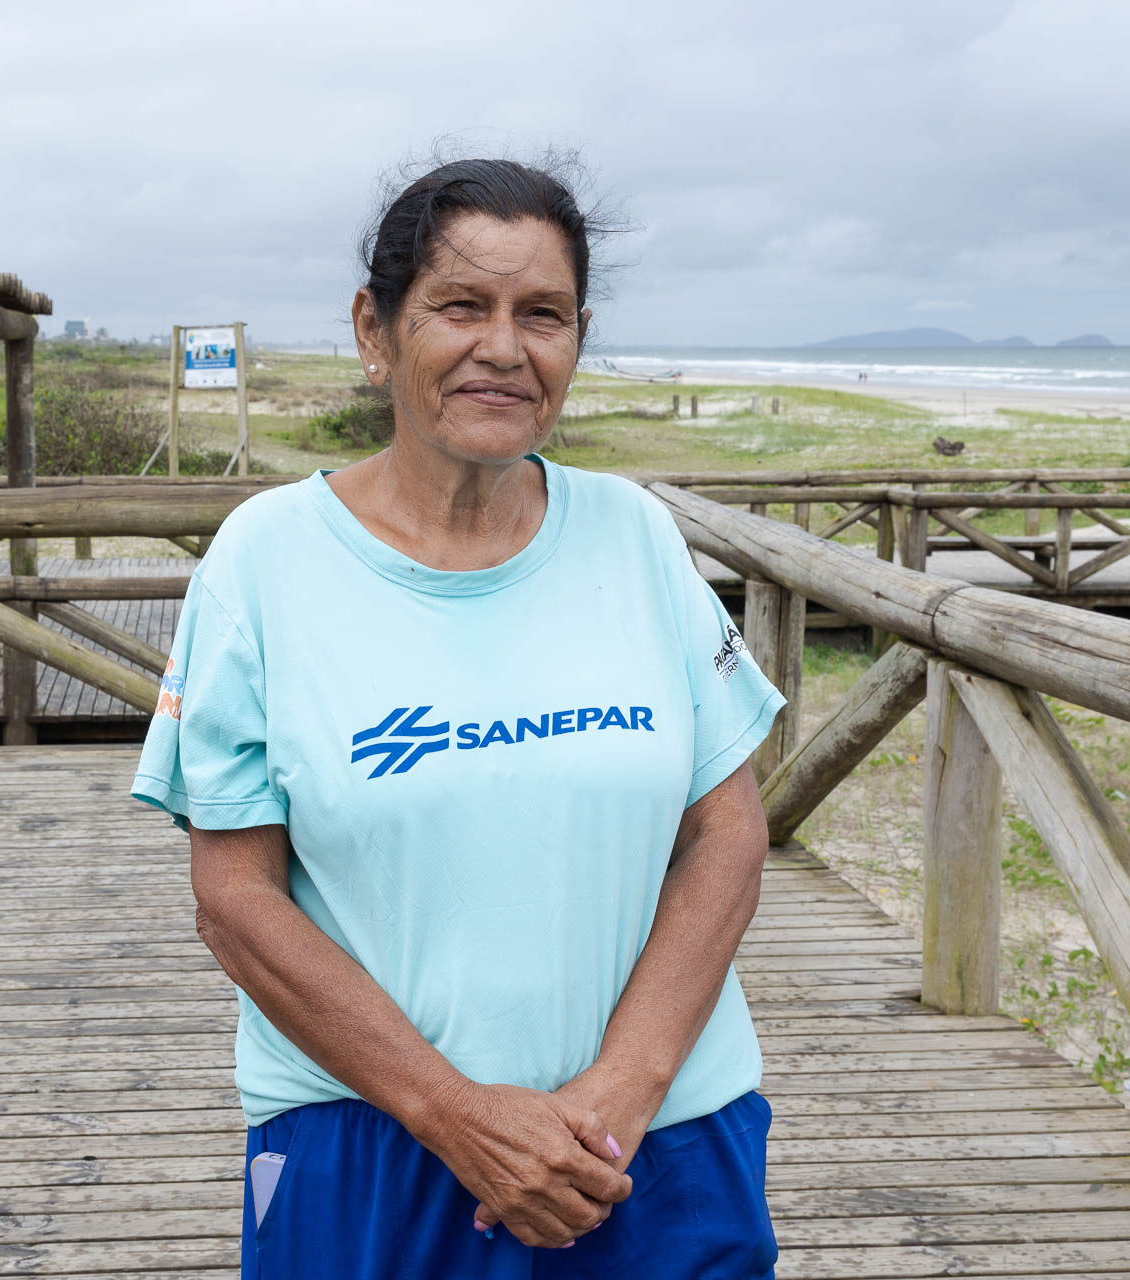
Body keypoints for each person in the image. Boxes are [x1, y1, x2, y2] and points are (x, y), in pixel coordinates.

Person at [133, 157, 783, 1279]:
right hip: (375, 1137)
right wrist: (454, 1110)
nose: (504, 347)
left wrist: (619, 1093)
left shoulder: (633, 535)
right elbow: (234, 899)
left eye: (544, 315)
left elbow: (726, 832)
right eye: (461, 306)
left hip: (654, 1141)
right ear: (375, 330)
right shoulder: (265, 560)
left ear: (577, 341)